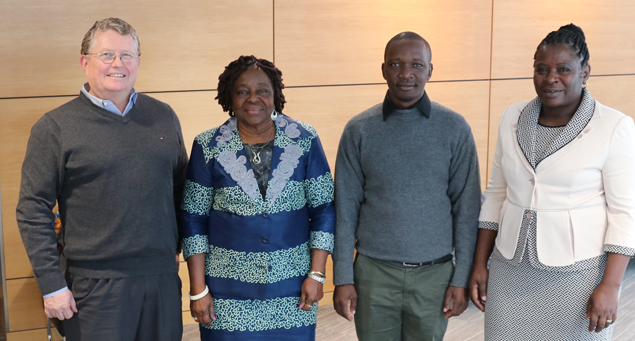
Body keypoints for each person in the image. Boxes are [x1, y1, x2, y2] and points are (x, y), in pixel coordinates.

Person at [15, 17, 187, 340]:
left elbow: (181, 191)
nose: (117, 64)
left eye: (127, 55)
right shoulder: (54, 128)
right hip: (95, 289)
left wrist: (173, 250)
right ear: (85, 62)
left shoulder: (164, 117)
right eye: (106, 55)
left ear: (138, 62)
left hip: (161, 279)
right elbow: (32, 209)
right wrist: (52, 285)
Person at [469, 24, 635, 340]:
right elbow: (496, 194)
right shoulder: (512, 116)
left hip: (577, 275)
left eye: (563, 69)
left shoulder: (614, 126)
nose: (551, 78)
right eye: (541, 69)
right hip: (510, 269)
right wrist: (480, 263)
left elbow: (624, 214)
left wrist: (611, 286)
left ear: (585, 72)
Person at [333, 32, 481, 340]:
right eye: (396, 64)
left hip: (435, 276)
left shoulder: (454, 128)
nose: (405, 74)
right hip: (374, 274)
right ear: (383, 69)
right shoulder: (359, 129)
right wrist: (343, 277)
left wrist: (461, 279)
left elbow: (466, 210)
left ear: (430, 70)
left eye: (416, 64)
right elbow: (345, 208)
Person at [180, 55, 335, 340]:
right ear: (230, 96)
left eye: (263, 90)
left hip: (293, 288)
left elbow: (324, 210)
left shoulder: (304, 139)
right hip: (226, 293)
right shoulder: (207, 146)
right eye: (242, 91)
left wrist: (317, 274)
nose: (253, 98)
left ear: (275, 95)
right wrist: (198, 288)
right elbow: (193, 220)